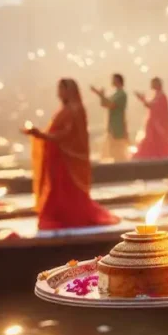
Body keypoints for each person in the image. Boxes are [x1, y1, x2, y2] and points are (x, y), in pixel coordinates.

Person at [25, 79, 118, 230]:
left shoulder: (75, 110)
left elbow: (67, 136)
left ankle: (70, 217)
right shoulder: (64, 109)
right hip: (57, 158)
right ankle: (58, 215)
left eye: (61, 89)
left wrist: (41, 135)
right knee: (56, 190)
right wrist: (40, 134)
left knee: (67, 191)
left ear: (69, 91)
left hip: (69, 160)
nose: (59, 93)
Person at [90, 73, 130, 162]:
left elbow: (111, 105)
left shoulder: (122, 94)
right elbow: (104, 104)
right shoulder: (115, 94)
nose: (112, 81)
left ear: (118, 81)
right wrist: (100, 95)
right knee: (112, 150)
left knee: (118, 150)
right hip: (112, 125)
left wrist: (100, 95)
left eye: (113, 79)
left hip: (118, 125)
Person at [133, 77, 168, 160]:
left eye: (153, 83)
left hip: (158, 126)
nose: (151, 85)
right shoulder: (157, 95)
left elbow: (152, 106)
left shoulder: (162, 96)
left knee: (157, 143)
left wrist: (142, 99)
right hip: (153, 125)